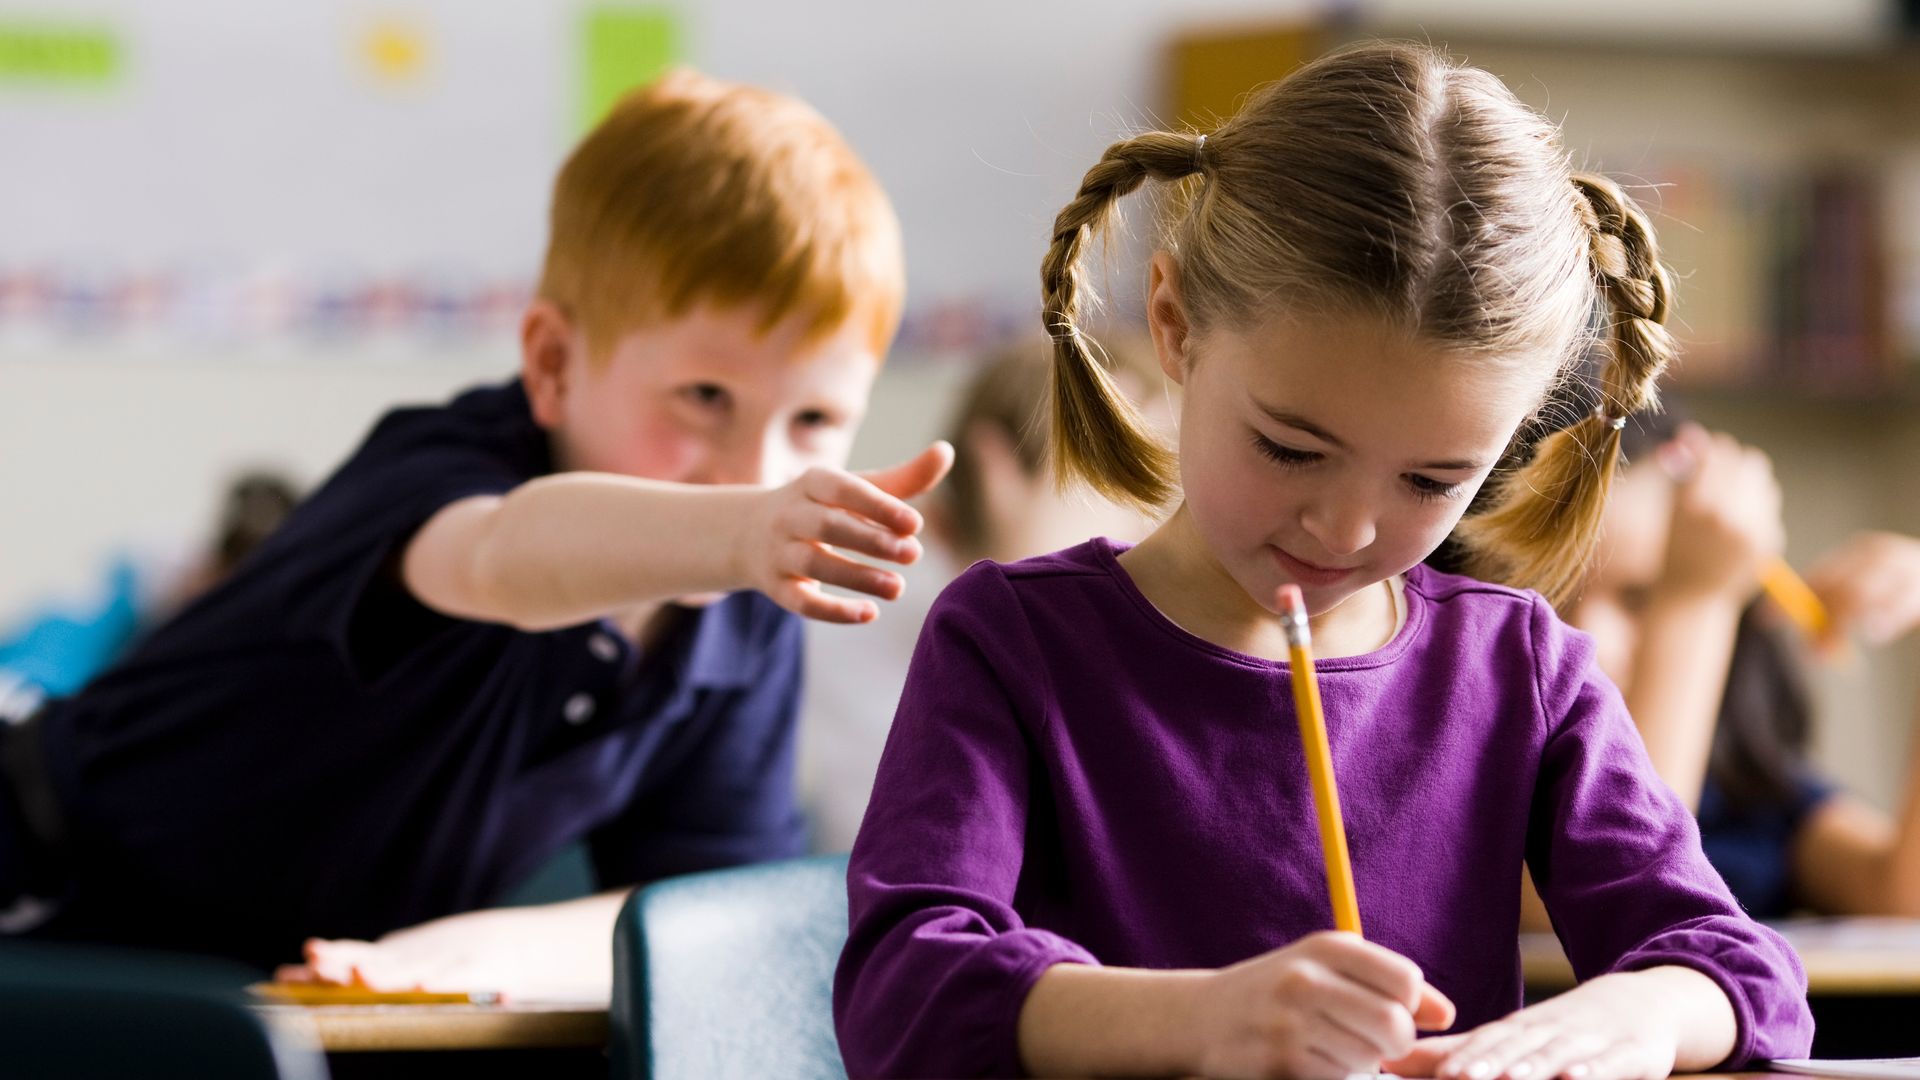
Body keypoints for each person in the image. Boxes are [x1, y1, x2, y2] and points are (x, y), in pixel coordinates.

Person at [833, 41, 1812, 1079]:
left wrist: (1638, 1016)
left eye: (1433, 482)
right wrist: (1205, 1023)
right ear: (1173, 325)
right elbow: (903, 994)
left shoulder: (1518, 667)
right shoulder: (1013, 642)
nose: (1347, 533)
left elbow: (1741, 974)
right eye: (1291, 448)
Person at [0, 70, 948, 1000]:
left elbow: (703, 911)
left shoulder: (747, 608)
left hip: (258, 993)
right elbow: (503, 559)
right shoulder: (445, 472)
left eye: (815, 421)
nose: (759, 473)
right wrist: (744, 536)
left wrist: (488, 951)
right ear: (551, 363)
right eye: (706, 397)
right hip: (41, 884)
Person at [798, 339, 1164, 852]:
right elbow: (941, 847)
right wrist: (1039, 569)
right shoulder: (869, 624)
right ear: (999, 477)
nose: (1157, 526)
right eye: (1120, 484)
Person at [1569, 415, 1920, 919]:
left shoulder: (1755, 799)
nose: (1589, 636)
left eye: (1640, 597)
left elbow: (1902, 901)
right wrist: (1696, 597)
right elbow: (1606, 888)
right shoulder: (1491, 779)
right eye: (1552, 591)